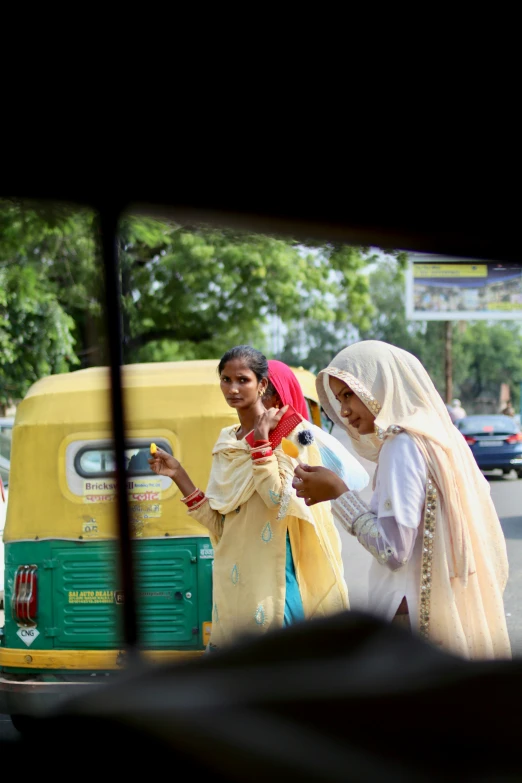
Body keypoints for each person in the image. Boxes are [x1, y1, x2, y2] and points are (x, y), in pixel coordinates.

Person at [292, 340, 511, 660]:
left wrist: (339, 494)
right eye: (339, 400)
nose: (344, 411)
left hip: (409, 616)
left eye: (349, 394)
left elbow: (393, 550)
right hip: (432, 608)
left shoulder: (402, 445)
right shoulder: (430, 439)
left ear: (381, 383)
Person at [149, 346, 352, 650]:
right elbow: (220, 526)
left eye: (242, 380)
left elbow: (279, 501)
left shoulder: (293, 434)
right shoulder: (226, 441)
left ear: (262, 384)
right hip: (230, 587)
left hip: (272, 586)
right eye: (226, 379)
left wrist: (261, 447)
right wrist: (178, 475)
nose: (232, 388)